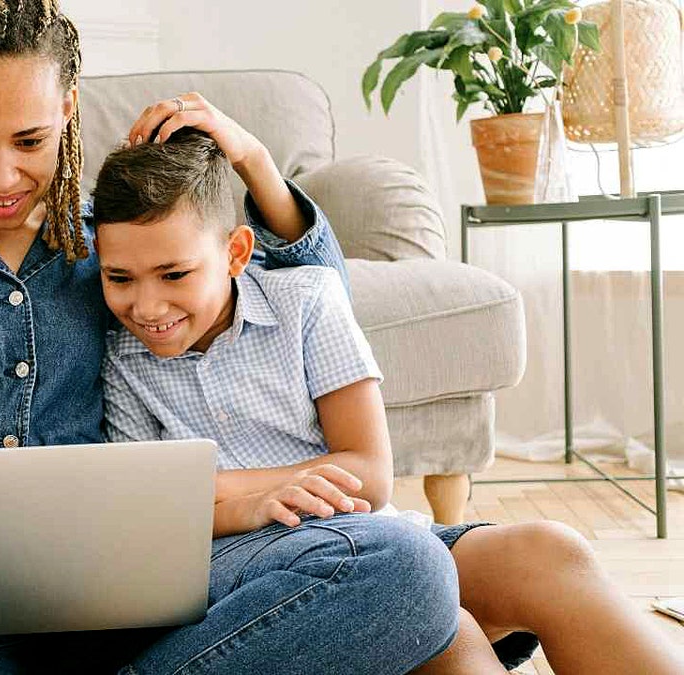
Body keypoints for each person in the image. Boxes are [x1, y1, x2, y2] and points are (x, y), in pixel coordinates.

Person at [0, 0, 463, 672]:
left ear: (69, 111)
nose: (1, 173)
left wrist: (250, 157)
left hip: (150, 605)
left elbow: (304, 289)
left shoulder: (115, 251)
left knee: (403, 567)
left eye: (30, 139)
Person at [93, 124, 684, 675]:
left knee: (549, 551)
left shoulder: (306, 302)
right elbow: (160, 513)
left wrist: (222, 486)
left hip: (375, 537)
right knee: (443, 623)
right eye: (120, 278)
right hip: (243, 568)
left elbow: (369, 475)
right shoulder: (121, 358)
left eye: (174, 275)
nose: (146, 307)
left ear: (237, 254)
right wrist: (254, 500)